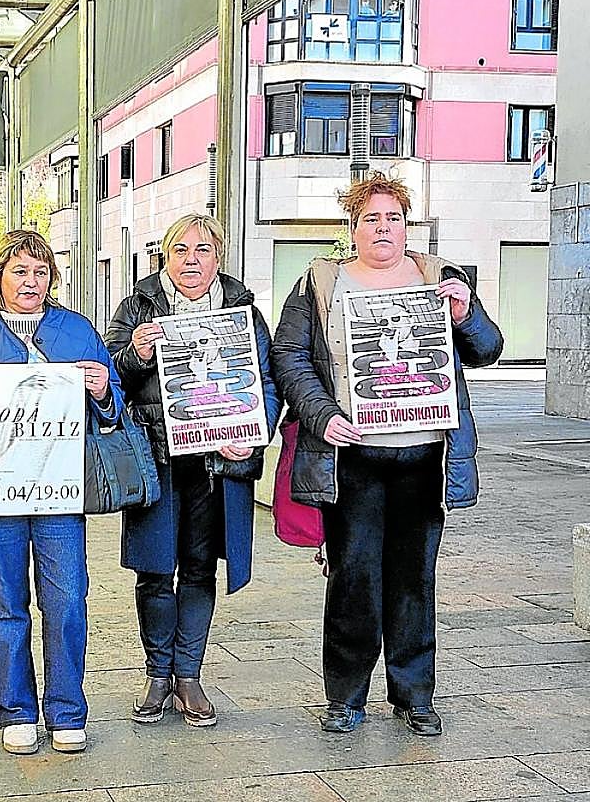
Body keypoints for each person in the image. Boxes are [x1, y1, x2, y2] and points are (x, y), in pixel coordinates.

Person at [272, 173, 503, 736]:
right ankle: (345, 696)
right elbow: (289, 357)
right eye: (370, 218)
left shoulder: (439, 279)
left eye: (393, 218)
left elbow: (487, 349)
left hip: (423, 458)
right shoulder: (319, 284)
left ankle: (414, 694)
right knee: (351, 579)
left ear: (407, 226)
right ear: (352, 228)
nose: (383, 228)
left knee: (413, 580)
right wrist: (322, 415)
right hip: (351, 458)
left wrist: (464, 315)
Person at [0, 230, 124, 755]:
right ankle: (15, 711)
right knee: (5, 603)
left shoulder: (76, 329)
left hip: (61, 493)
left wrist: (103, 388)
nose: (30, 281)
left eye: (40, 272)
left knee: (67, 600)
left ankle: (67, 710)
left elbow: (114, 404)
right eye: (19, 271)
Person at [105, 214, 280, 727]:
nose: (191, 261)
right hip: (156, 459)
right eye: (180, 250)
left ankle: (188, 675)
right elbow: (107, 376)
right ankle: (157, 674)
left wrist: (253, 431)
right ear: (165, 256)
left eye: (202, 250)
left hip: (216, 464)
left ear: (218, 257)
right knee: (155, 570)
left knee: (201, 568)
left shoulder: (243, 311)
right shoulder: (137, 306)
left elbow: (267, 382)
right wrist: (135, 354)